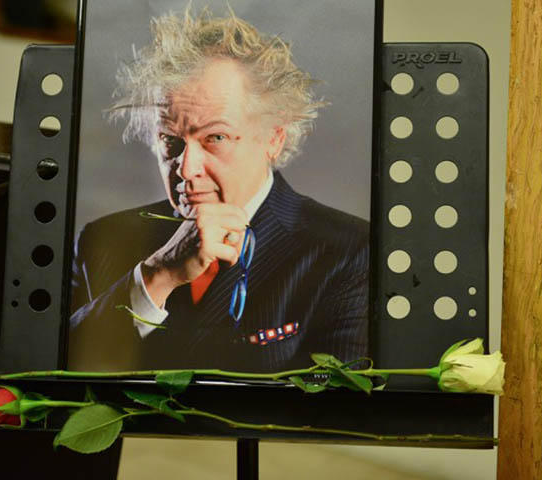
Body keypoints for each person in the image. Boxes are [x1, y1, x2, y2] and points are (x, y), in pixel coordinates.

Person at [68, 7, 369, 372]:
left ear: (273, 138)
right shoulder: (101, 241)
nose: (186, 169)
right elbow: (56, 373)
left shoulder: (350, 252)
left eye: (216, 137)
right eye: (170, 140)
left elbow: (338, 401)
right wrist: (158, 275)